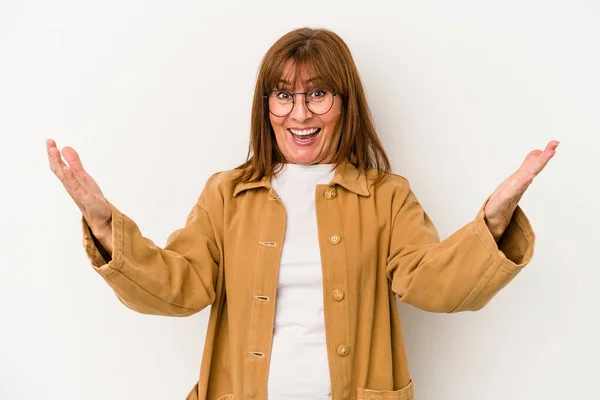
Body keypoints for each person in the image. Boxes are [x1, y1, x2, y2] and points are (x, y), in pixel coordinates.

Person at [47, 27, 558, 400]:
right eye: (283, 95)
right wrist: (104, 224)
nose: (300, 113)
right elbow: (180, 287)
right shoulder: (227, 194)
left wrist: (492, 221)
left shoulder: (386, 196)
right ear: (265, 105)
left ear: (344, 102)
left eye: (318, 94)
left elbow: (434, 284)